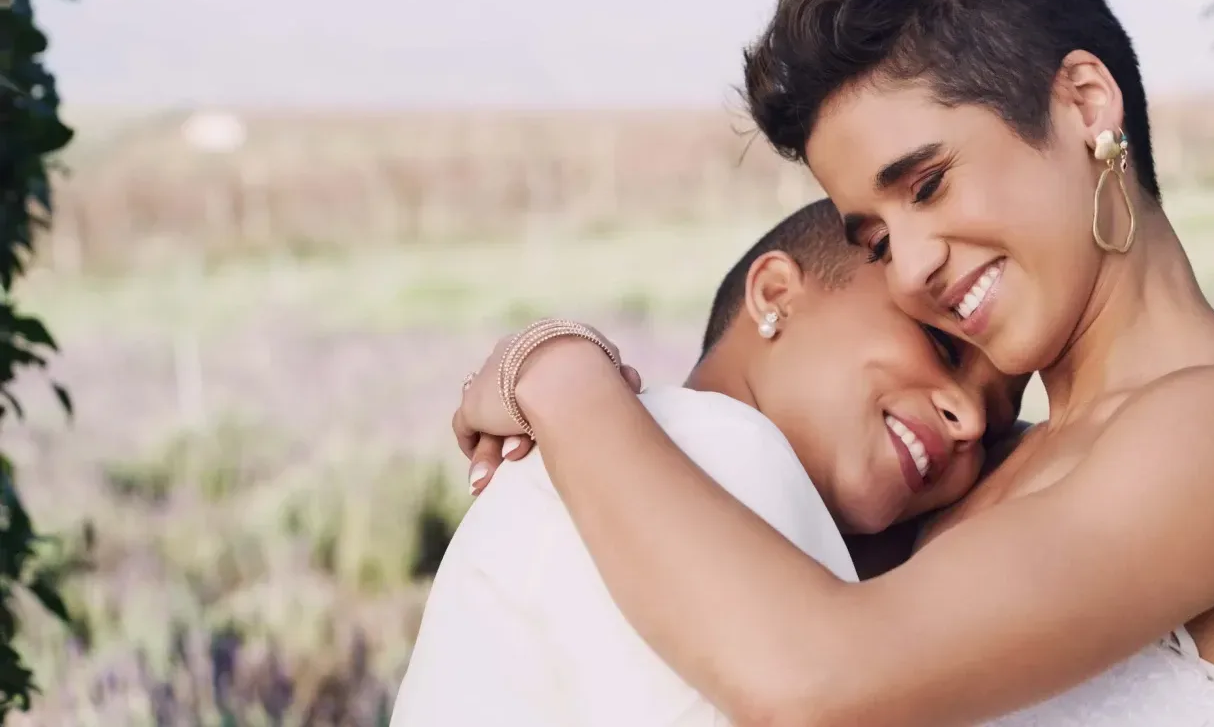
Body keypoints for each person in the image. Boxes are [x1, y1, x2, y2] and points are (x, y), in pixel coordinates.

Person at [451, 0, 1214, 727]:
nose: (912, 268)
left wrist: (561, 374)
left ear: (1083, 103)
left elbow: (815, 680)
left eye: (929, 182)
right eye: (874, 239)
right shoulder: (981, 471)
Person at [396, 199, 1022, 726]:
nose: (968, 419)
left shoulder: (643, 453)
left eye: (992, 425)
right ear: (776, 295)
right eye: (941, 345)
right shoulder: (718, 449)